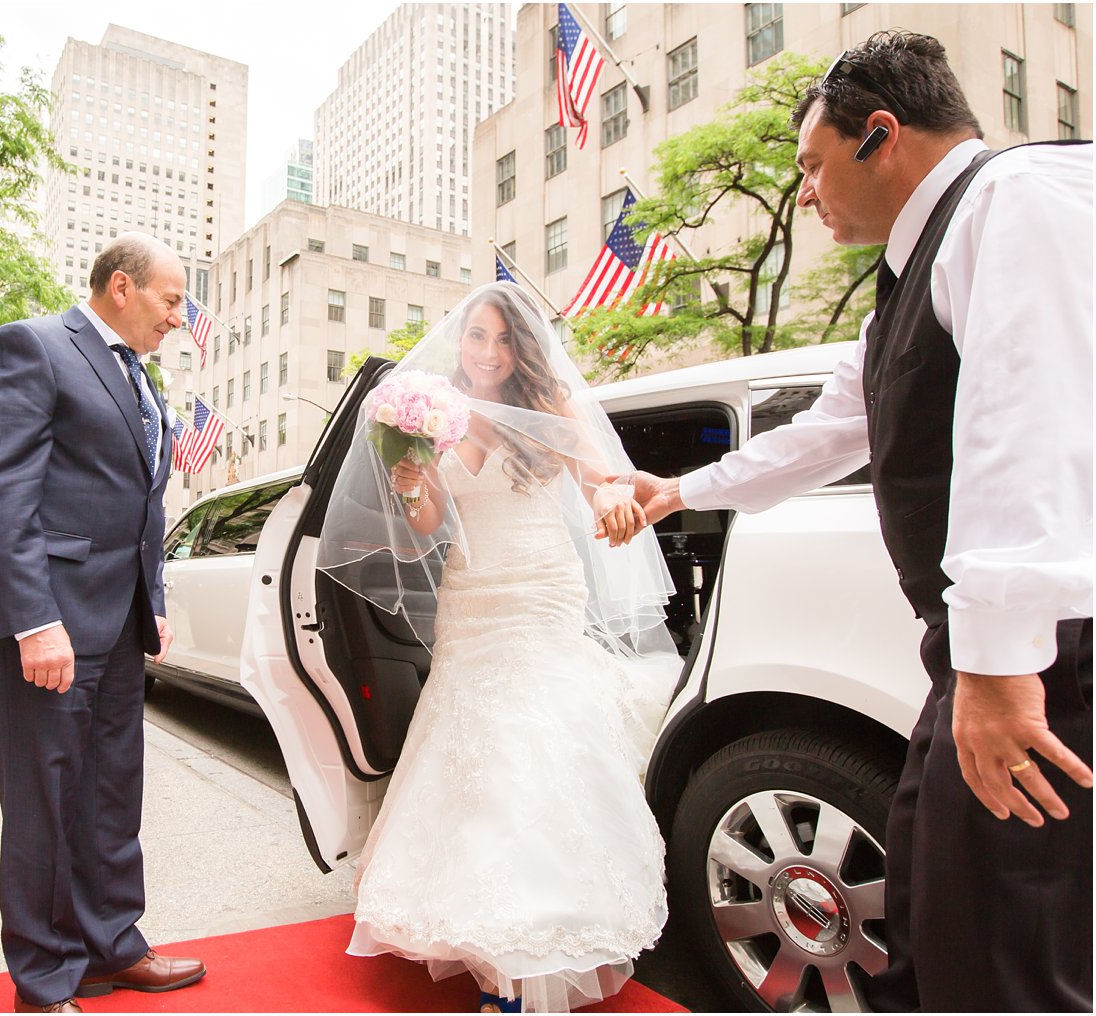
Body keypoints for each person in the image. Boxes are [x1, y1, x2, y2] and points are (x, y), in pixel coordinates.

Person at [631, 31, 1092, 1012]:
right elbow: (827, 433)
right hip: (973, 653)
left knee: (1014, 942)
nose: (801, 191)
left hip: (1048, 650)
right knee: (935, 900)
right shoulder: (895, 291)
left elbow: (1031, 414)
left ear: (877, 134)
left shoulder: (1019, 199)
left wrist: (1003, 662)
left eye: (807, 163)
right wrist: (674, 492)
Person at [317, 282, 681, 1013]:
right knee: (475, 757)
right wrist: (411, 480)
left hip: (541, 590)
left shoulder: (551, 411)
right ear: (461, 342)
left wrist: (613, 499)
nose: (487, 351)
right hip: (469, 597)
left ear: (524, 348)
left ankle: (528, 963)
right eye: (476, 336)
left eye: (503, 339)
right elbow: (427, 525)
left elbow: (600, 485)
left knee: (534, 751)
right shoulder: (434, 417)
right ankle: (490, 938)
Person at [0, 233, 200, 1013]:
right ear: (122, 287)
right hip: (52, 623)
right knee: (44, 802)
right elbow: (2, 496)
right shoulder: (31, 347)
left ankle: (113, 944)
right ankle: (45, 975)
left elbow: (144, 503)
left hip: (120, 620)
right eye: (171, 300)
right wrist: (33, 620)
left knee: (110, 794)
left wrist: (152, 601)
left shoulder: (141, 377)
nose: (178, 317)